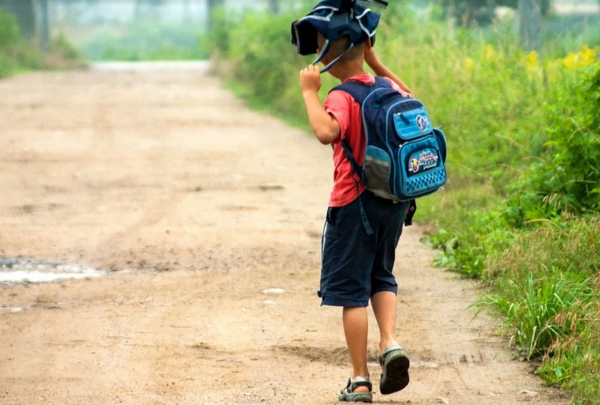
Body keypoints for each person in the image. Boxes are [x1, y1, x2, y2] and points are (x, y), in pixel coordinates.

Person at [299, 33, 413, 403]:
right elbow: (409, 97)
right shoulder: (386, 88)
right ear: (365, 49)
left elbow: (325, 132)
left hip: (354, 205)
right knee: (381, 275)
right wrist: (377, 63)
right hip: (392, 202)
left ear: (326, 56)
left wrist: (309, 92)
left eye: (319, 46)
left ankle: (360, 380)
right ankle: (390, 342)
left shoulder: (341, 96)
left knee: (352, 293)